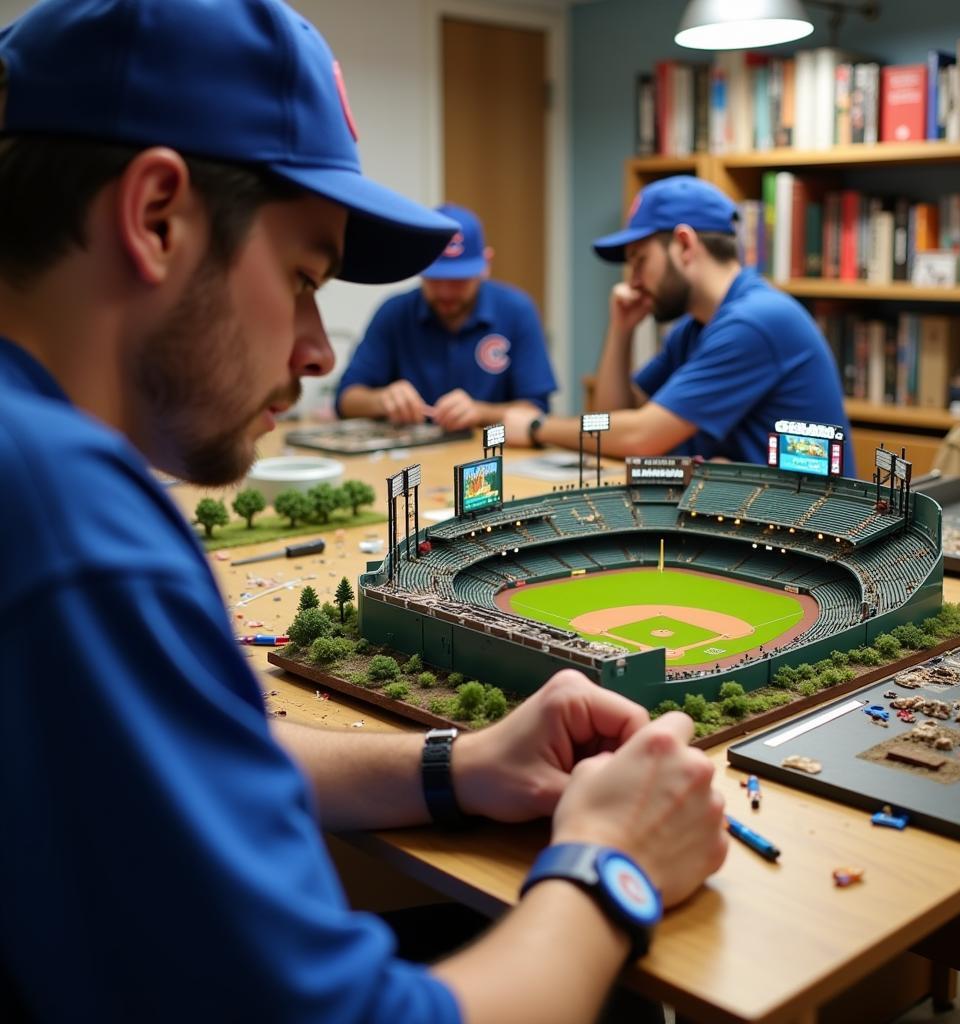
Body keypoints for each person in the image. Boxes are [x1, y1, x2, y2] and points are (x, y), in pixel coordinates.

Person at [0, 3, 727, 1022]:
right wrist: (612, 866)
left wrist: (459, 761)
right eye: (302, 277)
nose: (316, 346)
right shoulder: (71, 520)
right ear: (157, 215)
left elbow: (206, 753)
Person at [504, 176, 855, 474]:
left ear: (684, 245)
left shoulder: (754, 322)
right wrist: (621, 330)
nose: (634, 281)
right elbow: (612, 424)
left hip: (801, 538)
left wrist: (537, 427)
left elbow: (639, 436)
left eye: (640, 261)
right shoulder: (696, 328)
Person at [336, 202, 558, 431]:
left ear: (485, 265)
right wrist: (382, 400)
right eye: (434, 278)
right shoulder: (394, 312)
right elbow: (346, 400)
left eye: (458, 280)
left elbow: (536, 410)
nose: (445, 292)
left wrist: (480, 412)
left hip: (488, 456)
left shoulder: (517, 311)